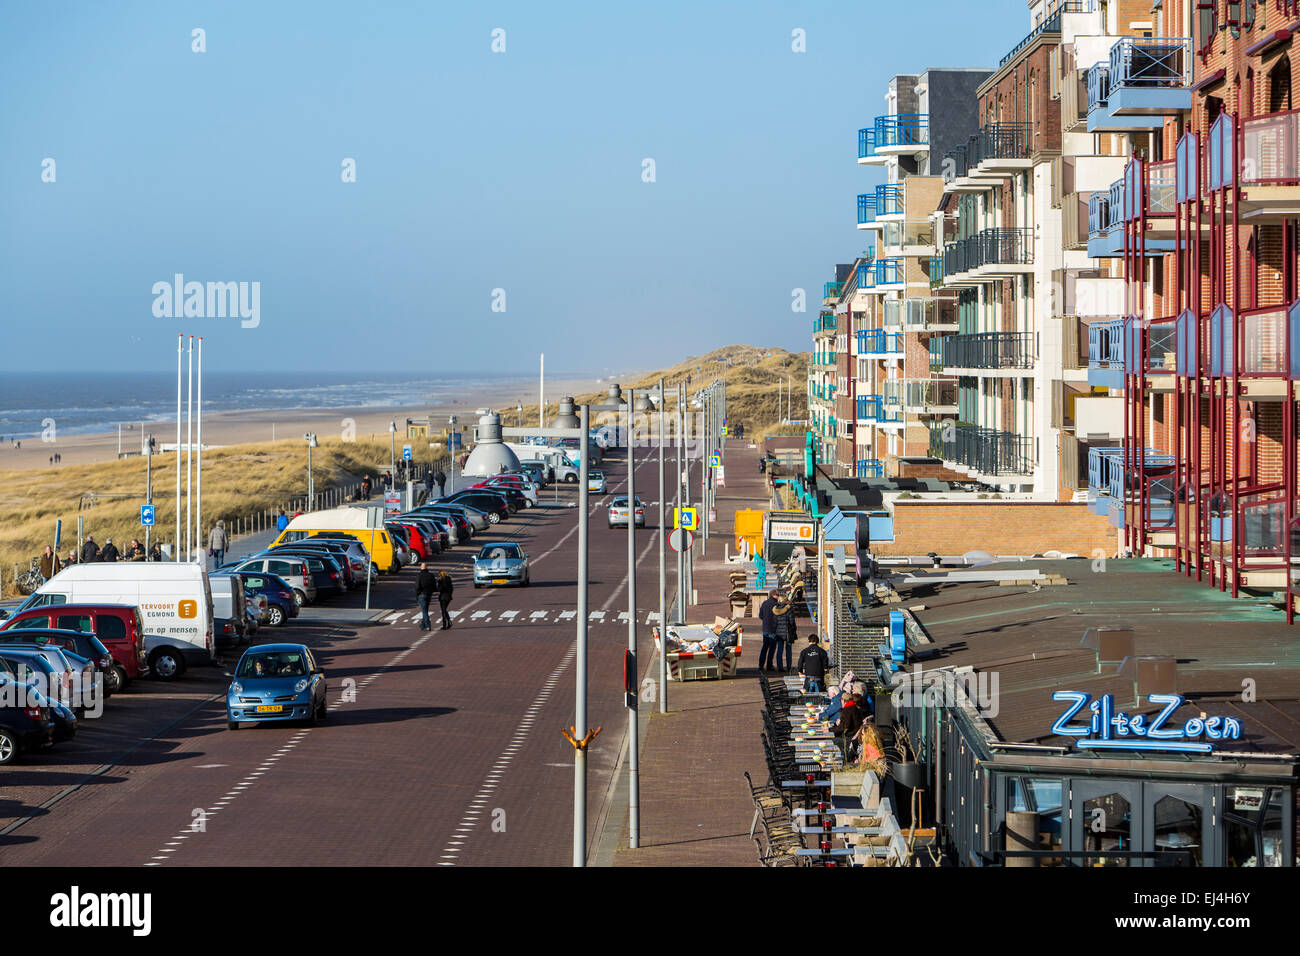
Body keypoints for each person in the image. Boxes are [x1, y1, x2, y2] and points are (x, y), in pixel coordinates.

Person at [831, 693, 866, 761]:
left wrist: (829, 730)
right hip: (855, 736)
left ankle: (842, 760)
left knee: (832, 741)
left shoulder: (847, 709)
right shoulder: (854, 707)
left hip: (850, 738)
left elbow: (843, 728)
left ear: (843, 701)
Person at [756, 589, 780, 672]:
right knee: (772, 648)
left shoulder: (765, 603)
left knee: (765, 647)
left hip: (765, 628)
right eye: (778, 595)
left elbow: (760, 615)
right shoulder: (776, 605)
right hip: (773, 629)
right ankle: (769, 665)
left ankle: (760, 665)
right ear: (774, 595)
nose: (779, 596)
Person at [773, 594, 798, 673]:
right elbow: (792, 622)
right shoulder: (788, 609)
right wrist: (794, 631)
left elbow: (774, 623)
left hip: (778, 633)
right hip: (788, 632)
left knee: (779, 650)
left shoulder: (775, 610)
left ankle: (780, 667)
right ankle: (789, 667)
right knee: (788, 650)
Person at [414, 562, 436, 630]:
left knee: (424, 611)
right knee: (425, 609)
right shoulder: (431, 575)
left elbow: (417, 586)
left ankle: (427, 625)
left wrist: (417, 593)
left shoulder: (419, 576)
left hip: (421, 594)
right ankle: (423, 625)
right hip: (429, 594)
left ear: (421, 568)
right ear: (427, 568)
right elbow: (434, 586)